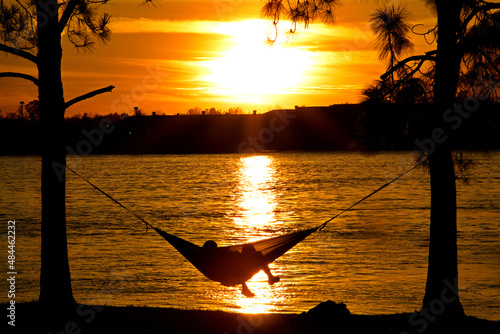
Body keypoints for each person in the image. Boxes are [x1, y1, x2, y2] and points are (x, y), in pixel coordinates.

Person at [201, 240, 280, 297]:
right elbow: (229, 269)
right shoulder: (211, 260)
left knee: (257, 255)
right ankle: (269, 277)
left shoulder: (216, 254)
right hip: (238, 270)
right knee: (258, 257)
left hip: (241, 266)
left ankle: (269, 277)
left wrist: (233, 254)